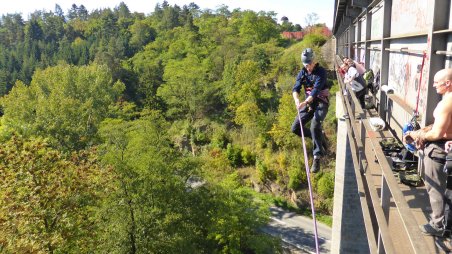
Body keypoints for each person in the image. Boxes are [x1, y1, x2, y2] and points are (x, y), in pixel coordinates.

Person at [403, 68, 452, 237]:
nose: (433, 85)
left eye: (437, 82)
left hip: (439, 148)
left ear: (448, 83)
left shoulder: (447, 102)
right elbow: (442, 125)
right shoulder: (447, 99)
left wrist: (418, 134)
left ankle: (438, 225)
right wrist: (427, 129)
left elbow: (438, 133)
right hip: (445, 146)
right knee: (445, 188)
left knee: (435, 187)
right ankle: (446, 222)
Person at [291, 48, 329, 173]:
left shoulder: (321, 72)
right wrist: (297, 99)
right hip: (308, 104)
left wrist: (306, 102)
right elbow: (295, 88)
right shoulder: (302, 73)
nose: (308, 68)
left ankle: (317, 157)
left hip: (320, 103)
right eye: (305, 65)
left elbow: (316, 90)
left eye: (309, 65)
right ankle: (318, 137)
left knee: (315, 124)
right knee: (295, 128)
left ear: (314, 62)